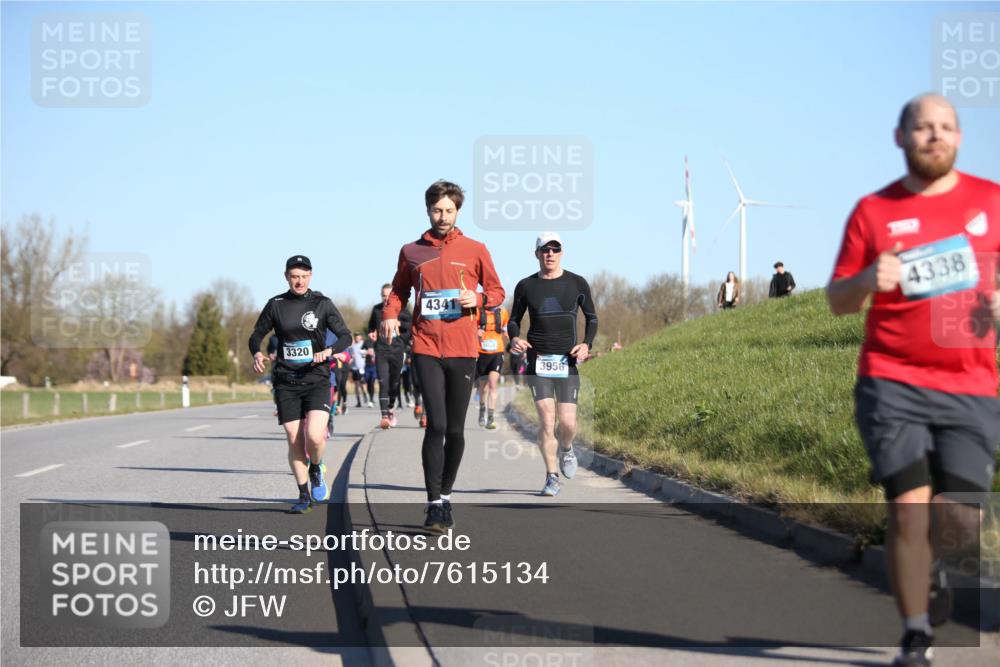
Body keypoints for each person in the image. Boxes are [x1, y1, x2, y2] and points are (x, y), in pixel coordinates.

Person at [826, 93, 1000, 667]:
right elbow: (838, 301)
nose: (934, 135)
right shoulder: (873, 211)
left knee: (961, 518)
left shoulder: (991, 202)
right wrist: (871, 277)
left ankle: (939, 568)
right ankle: (916, 632)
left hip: (972, 384)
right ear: (900, 138)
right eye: (922, 127)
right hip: (892, 381)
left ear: (959, 138)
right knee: (908, 509)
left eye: (945, 127)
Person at [380, 180, 505, 532]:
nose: (443, 216)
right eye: (437, 210)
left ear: (458, 211)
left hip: (464, 349)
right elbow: (398, 292)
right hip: (426, 346)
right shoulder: (411, 251)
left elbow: (496, 290)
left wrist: (478, 300)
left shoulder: (475, 249)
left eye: (449, 210)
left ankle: (446, 496)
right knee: (435, 425)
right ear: (428, 210)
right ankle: (434, 504)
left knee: (454, 428)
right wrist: (389, 315)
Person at [249, 255, 351, 514]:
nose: (299, 281)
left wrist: (329, 351)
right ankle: (303, 494)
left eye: (304, 276)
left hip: (316, 378)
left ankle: (316, 467)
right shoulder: (276, 305)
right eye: (294, 276)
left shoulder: (322, 304)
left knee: (314, 437)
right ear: (286, 277)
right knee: (294, 439)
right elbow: (257, 335)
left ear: (311, 276)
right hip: (286, 381)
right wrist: (257, 353)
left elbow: (346, 336)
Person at [508, 232, 598, 497]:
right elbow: (514, 319)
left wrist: (587, 344)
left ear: (562, 253)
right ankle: (551, 477)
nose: (550, 254)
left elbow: (592, 318)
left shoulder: (577, 283)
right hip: (538, 362)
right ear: (536, 254)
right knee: (547, 422)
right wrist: (514, 338)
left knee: (567, 424)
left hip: (566, 361)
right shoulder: (526, 286)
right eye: (545, 250)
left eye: (555, 249)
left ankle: (567, 449)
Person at [369, 283, 413, 428]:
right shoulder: (376, 310)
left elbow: (410, 328)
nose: (386, 299)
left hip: (397, 350)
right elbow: (371, 327)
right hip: (381, 350)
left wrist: (399, 329)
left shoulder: (402, 310)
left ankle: (391, 407)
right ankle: (384, 416)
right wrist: (372, 333)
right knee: (383, 382)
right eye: (383, 296)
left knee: (394, 383)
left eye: (388, 296)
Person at [476, 303, 509, 429]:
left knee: (492, 384)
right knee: (483, 388)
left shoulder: (503, 312)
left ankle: (490, 418)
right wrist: (476, 331)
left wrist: (509, 335)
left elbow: (506, 328)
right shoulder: (478, 312)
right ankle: (481, 410)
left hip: (497, 352)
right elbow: (470, 328)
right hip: (481, 352)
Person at [349, 333, 367, 408]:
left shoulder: (363, 344)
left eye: (358, 336)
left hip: (361, 367)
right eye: (356, 336)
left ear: (360, 337)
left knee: (362, 384)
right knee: (356, 385)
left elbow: (367, 352)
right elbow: (350, 356)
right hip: (354, 368)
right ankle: (358, 401)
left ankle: (365, 395)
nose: (357, 338)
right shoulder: (352, 347)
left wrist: (364, 353)